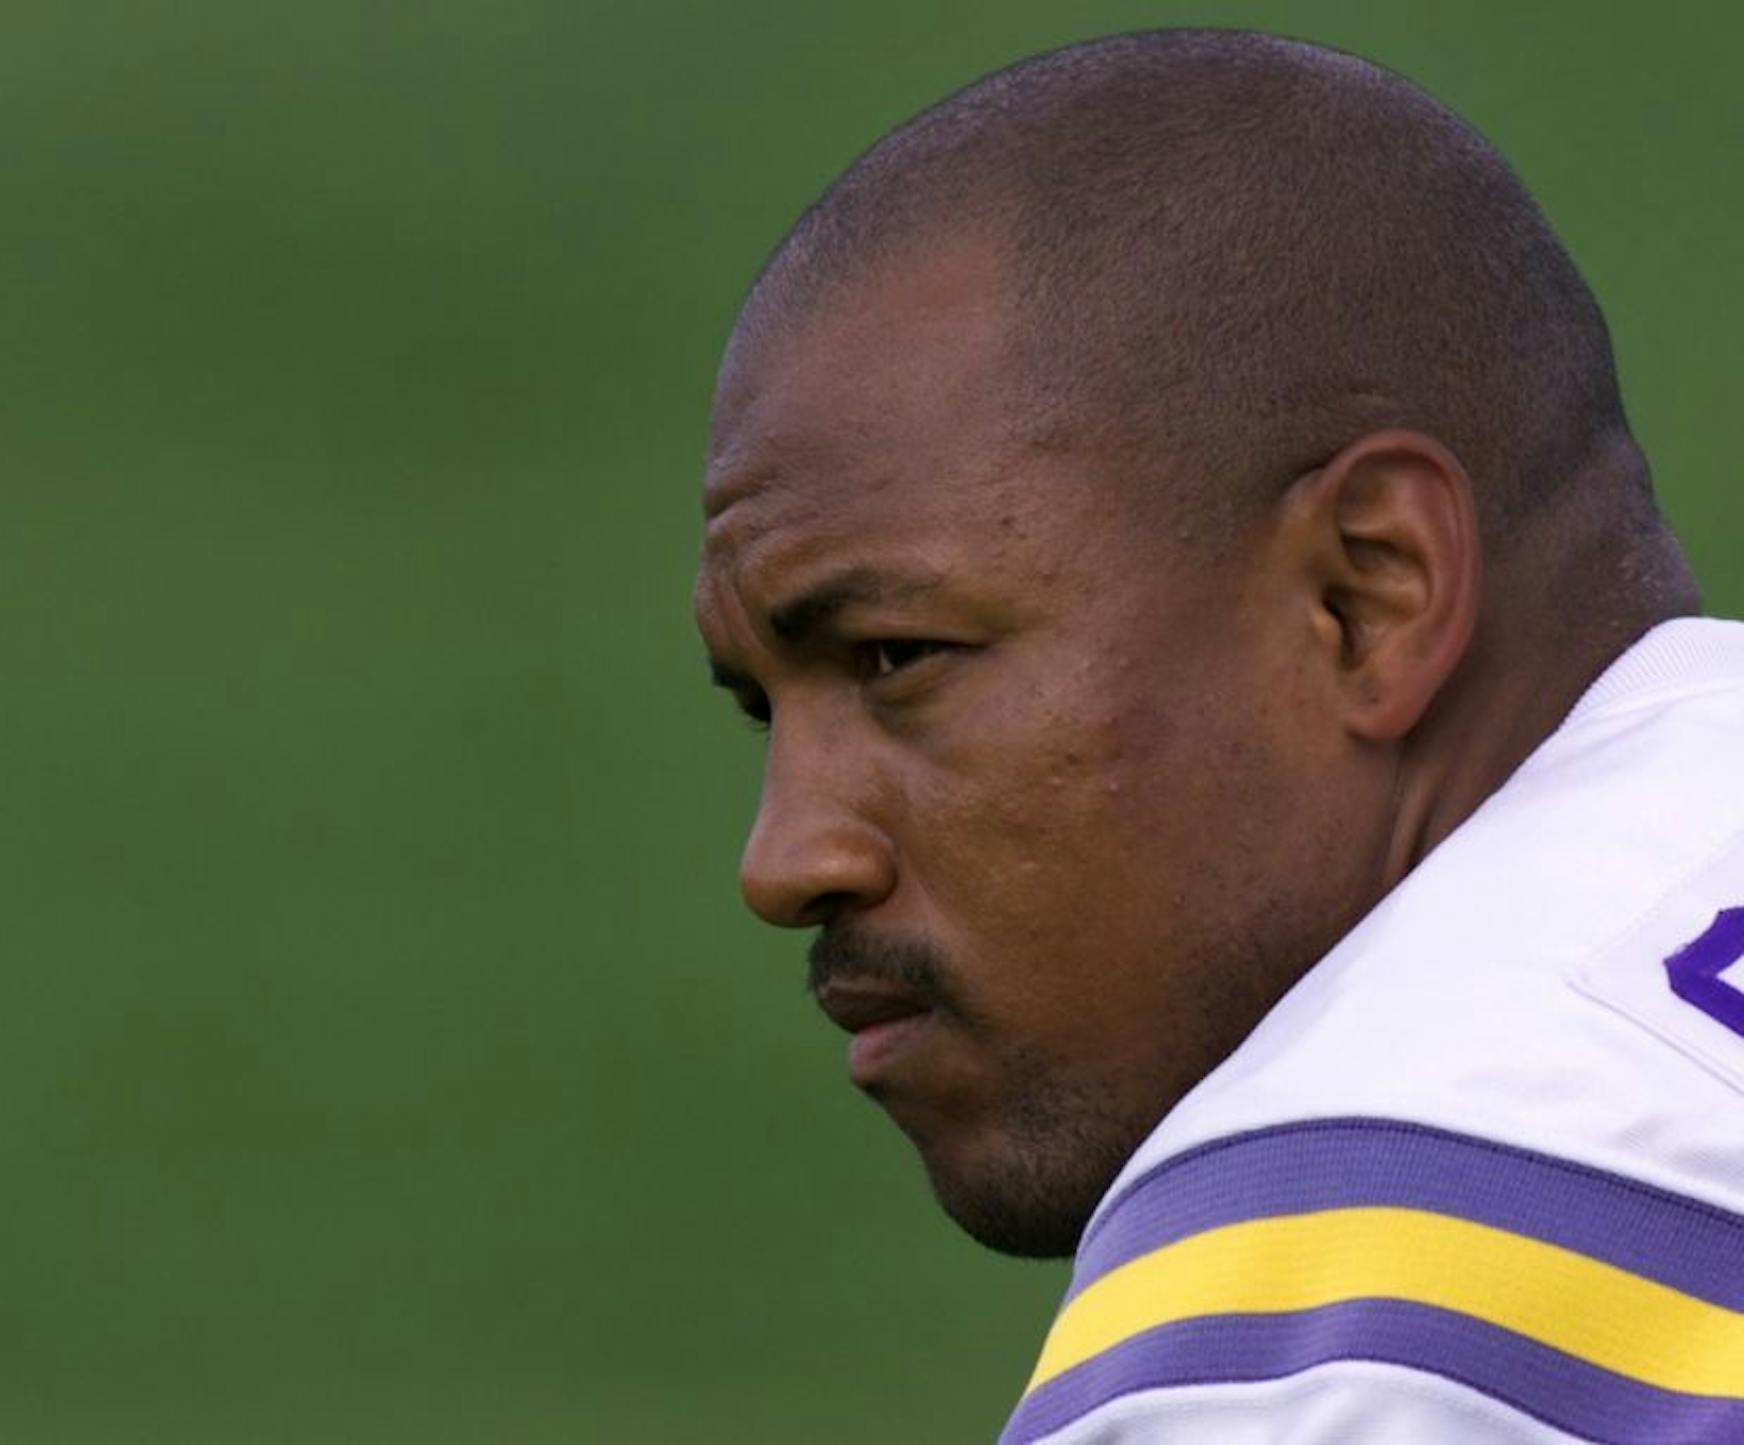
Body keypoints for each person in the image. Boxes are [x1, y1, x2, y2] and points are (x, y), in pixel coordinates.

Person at [691, 27, 1744, 1444]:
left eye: (899, 657)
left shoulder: (1350, 1325)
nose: (785, 859)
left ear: (1364, 595)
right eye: (768, 708)